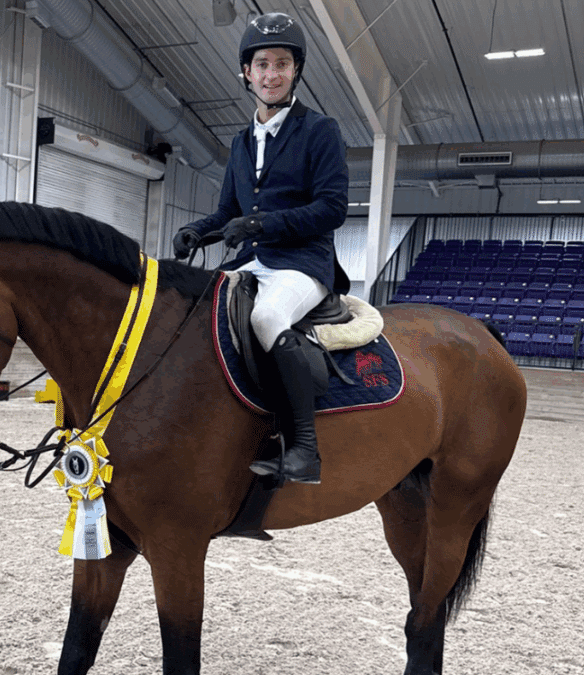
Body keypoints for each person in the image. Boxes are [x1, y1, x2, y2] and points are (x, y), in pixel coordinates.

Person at [171, 12, 350, 484]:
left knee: (267, 318)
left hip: (302, 263)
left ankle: (304, 449)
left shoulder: (320, 130)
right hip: (247, 261)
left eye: (282, 64)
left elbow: (332, 209)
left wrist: (265, 223)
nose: (272, 74)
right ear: (246, 72)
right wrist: (198, 231)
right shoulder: (240, 141)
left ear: (296, 71)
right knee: (189, 313)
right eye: (263, 64)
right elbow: (228, 211)